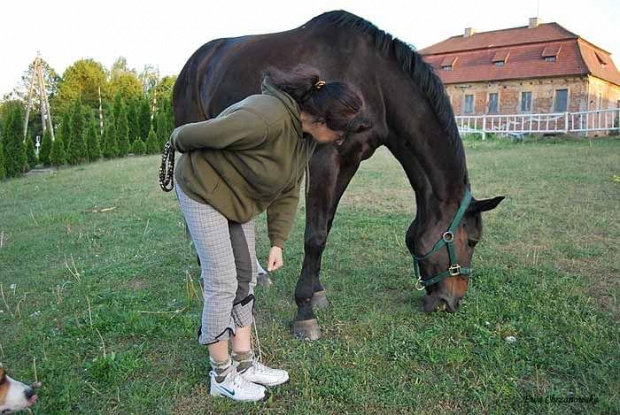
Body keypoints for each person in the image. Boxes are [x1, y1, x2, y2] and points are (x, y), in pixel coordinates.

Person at [165, 65, 363, 402]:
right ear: (320, 120)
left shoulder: (304, 140)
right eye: (341, 134)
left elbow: (288, 190)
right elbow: (195, 134)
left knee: (246, 277)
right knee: (222, 282)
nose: (341, 141)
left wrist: (278, 242)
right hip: (202, 189)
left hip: (237, 199)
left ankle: (244, 363)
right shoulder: (264, 117)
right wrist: (174, 142)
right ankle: (222, 375)